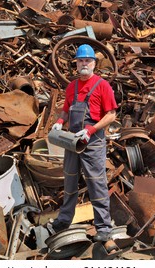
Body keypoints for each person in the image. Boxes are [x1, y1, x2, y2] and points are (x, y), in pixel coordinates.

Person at [47, 44, 118, 242]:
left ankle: (103, 226)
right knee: (69, 182)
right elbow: (66, 110)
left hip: (93, 142)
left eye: (87, 60)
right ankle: (63, 220)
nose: (84, 63)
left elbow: (111, 115)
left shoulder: (102, 85)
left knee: (96, 184)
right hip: (72, 142)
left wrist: (91, 129)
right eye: (80, 60)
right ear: (76, 64)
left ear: (94, 63)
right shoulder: (72, 86)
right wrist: (60, 122)